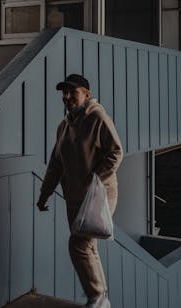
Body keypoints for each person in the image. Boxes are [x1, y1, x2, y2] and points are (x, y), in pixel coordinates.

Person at [36, 74, 123, 308]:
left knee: (78, 245)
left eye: (72, 92)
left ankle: (97, 297)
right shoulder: (63, 126)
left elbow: (116, 151)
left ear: (86, 93)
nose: (66, 97)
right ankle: (101, 298)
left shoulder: (97, 116)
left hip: (99, 195)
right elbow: (56, 164)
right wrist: (44, 194)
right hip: (74, 198)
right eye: (64, 93)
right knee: (88, 246)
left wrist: (94, 178)